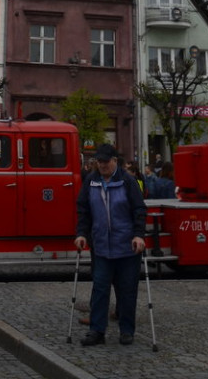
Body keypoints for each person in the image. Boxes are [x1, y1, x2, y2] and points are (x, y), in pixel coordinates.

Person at [74, 143, 147, 347]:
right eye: (99, 161)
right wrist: (81, 234)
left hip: (126, 247)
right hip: (101, 246)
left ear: (115, 161)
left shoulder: (127, 181)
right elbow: (83, 209)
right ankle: (97, 331)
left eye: (106, 161)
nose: (102, 165)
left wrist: (138, 235)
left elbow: (139, 210)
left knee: (127, 289)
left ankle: (126, 330)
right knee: (100, 288)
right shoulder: (91, 181)